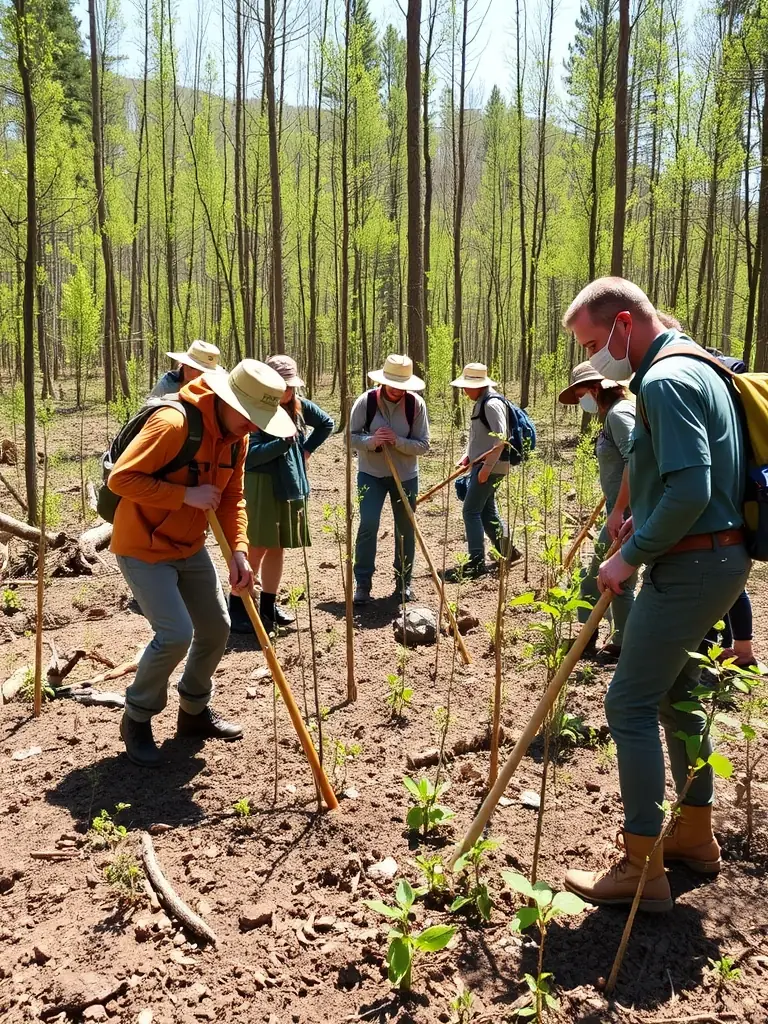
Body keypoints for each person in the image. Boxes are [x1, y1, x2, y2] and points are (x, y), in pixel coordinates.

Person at [560, 277, 750, 913]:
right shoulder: (700, 364)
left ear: (621, 323)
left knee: (629, 704)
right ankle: (694, 836)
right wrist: (644, 516)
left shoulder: (665, 381)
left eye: (594, 342)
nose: (597, 359)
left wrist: (625, 558)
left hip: (691, 567)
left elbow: (693, 489)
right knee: (676, 695)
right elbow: (692, 481)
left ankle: (641, 867)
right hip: (716, 558)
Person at [108, 359, 296, 767]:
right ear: (228, 401)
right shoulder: (173, 424)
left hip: (189, 546)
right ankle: (137, 717)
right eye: (251, 417)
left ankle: (192, 711)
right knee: (175, 633)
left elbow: (231, 498)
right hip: (142, 546)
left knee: (217, 626)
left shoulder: (237, 437)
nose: (254, 426)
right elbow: (121, 479)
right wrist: (184, 496)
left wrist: (240, 551)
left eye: (261, 419)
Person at [229, 355, 334, 635]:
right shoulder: (256, 409)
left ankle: (268, 606)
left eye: (291, 386)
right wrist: (281, 444)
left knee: (278, 547)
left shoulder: (297, 407)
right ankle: (238, 607)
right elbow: (249, 457)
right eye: (283, 386)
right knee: (256, 548)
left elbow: (326, 423)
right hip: (261, 486)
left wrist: (305, 450)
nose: (288, 391)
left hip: (290, 485)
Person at [558, 362, 637, 662]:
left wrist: (618, 508)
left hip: (629, 514)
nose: (581, 402)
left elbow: (636, 460)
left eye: (581, 395)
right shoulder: (610, 416)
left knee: (617, 580)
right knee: (595, 576)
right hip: (620, 512)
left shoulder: (619, 414)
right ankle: (591, 636)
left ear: (595, 388)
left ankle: (621, 645)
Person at [350, 354, 430, 605]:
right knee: (368, 524)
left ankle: (404, 583)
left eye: (401, 384)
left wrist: (397, 441)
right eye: (392, 383)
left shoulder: (415, 405)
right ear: (383, 381)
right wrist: (371, 442)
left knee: (405, 529)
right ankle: (362, 582)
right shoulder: (366, 402)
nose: (396, 389)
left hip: (405, 477)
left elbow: (423, 445)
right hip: (370, 475)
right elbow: (349, 438)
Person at [446, 363, 522, 581]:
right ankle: (508, 551)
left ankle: (476, 562)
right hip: (484, 465)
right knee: (487, 512)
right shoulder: (482, 402)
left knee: (470, 511)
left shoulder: (491, 404)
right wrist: (467, 456)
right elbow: (481, 437)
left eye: (467, 386)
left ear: (479, 385)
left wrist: (486, 469)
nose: (464, 391)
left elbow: (501, 437)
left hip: (492, 466)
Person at [151, 340, 226, 398]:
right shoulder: (168, 382)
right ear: (184, 365)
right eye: (193, 368)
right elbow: (150, 407)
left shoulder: (215, 391)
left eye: (205, 372)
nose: (200, 375)